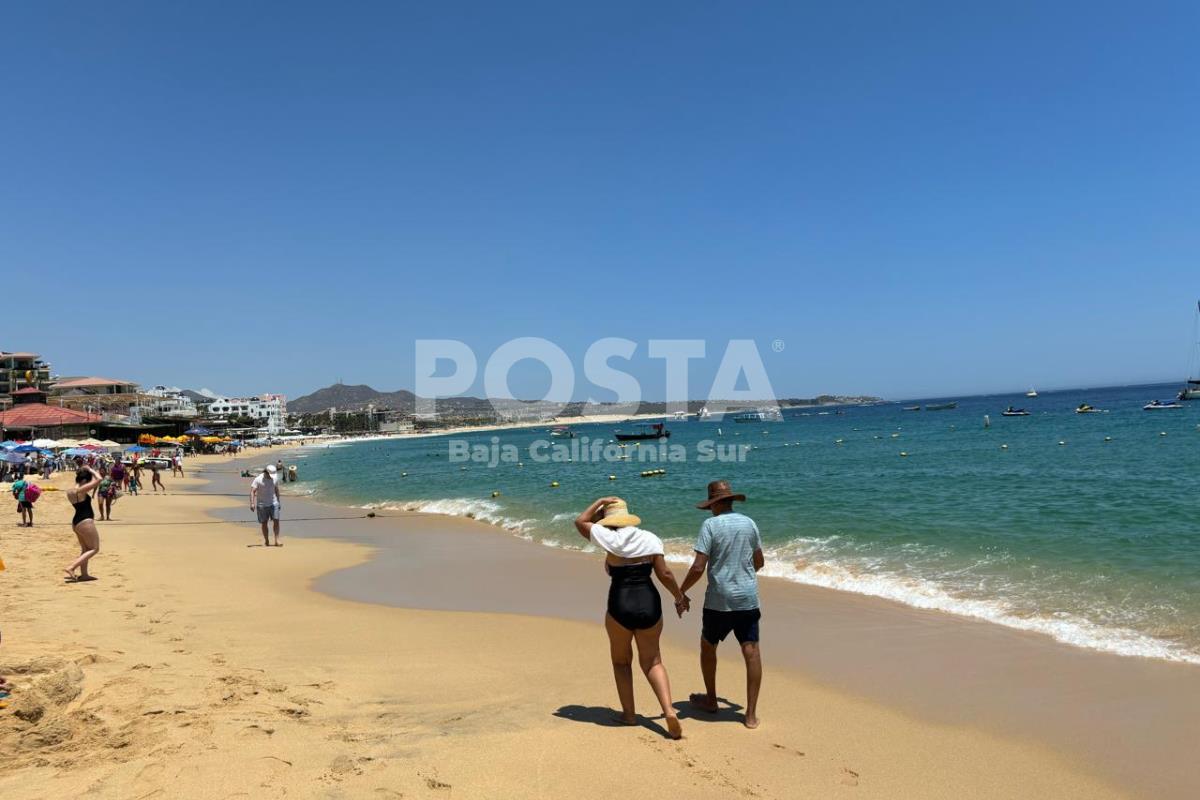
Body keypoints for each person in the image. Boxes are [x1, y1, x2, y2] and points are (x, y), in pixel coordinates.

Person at [574, 496, 686, 740]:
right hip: (649, 601)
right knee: (653, 661)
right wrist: (679, 597)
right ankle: (669, 711)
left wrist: (600, 501)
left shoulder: (608, 539)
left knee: (622, 662)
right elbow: (664, 573)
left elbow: (580, 521)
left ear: (608, 519)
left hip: (620, 604)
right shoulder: (650, 538)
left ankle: (629, 714)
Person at [679, 480, 765, 729]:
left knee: (708, 646)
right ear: (730, 500)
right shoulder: (749, 523)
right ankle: (750, 715)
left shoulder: (710, 525)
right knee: (751, 652)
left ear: (713, 504)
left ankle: (711, 700)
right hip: (747, 598)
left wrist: (681, 591)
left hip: (718, 600)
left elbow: (698, 566)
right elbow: (759, 561)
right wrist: (743, 576)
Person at [65, 466, 102, 582]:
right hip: (85, 521)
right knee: (95, 549)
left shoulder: (70, 491)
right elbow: (99, 479)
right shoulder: (80, 491)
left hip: (76, 521)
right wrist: (90, 469)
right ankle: (71, 567)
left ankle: (84, 575)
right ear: (85, 481)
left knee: (85, 549)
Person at [250, 465, 283, 547]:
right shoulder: (258, 479)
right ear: (266, 472)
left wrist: (278, 501)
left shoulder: (275, 478)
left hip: (274, 503)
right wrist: (252, 503)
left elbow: (276, 490)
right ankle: (266, 540)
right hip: (262, 504)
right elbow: (252, 491)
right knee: (264, 523)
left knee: (276, 521)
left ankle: (277, 540)